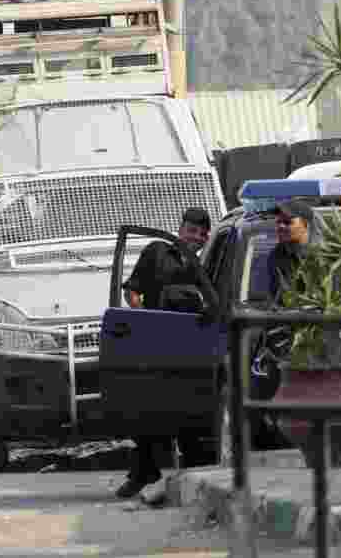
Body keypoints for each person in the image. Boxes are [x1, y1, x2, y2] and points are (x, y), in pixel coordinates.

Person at [114, 207, 218, 500]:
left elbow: (210, 304)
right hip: (153, 341)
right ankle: (142, 474)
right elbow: (132, 290)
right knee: (147, 409)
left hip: (187, 345)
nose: (194, 237)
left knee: (185, 410)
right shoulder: (156, 251)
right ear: (180, 228)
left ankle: (193, 476)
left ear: (205, 237)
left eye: (200, 234)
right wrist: (143, 318)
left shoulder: (202, 266)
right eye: (190, 230)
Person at [266, 198, 313, 304]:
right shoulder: (276, 255)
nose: (280, 226)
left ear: (305, 225)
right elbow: (277, 299)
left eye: (287, 222)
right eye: (278, 222)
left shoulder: (323, 255)